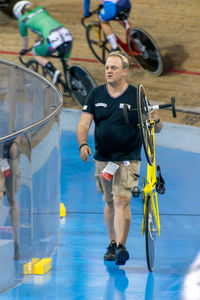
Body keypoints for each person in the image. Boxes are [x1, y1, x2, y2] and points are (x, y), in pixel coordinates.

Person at [77, 52, 162, 265]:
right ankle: (113, 243)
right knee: (109, 202)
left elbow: (156, 128)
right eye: (107, 67)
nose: (108, 70)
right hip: (103, 159)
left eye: (114, 67)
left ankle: (122, 247)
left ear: (125, 72)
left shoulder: (136, 95)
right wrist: (83, 143)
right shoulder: (96, 94)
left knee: (121, 199)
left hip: (128, 159)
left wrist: (157, 120)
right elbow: (84, 123)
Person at [13, 1, 73, 84]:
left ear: (19, 13)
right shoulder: (41, 9)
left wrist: (24, 49)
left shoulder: (22, 20)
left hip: (51, 42)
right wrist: (38, 39)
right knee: (65, 59)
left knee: (35, 52)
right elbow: (44, 24)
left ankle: (54, 71)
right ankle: (74, 77)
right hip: (67, 35)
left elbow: (24, 38)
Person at [0, 136, 21, 260]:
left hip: (11, 154)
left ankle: (16, 242)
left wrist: (17, 142)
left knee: (12, 199)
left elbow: (23, 121)